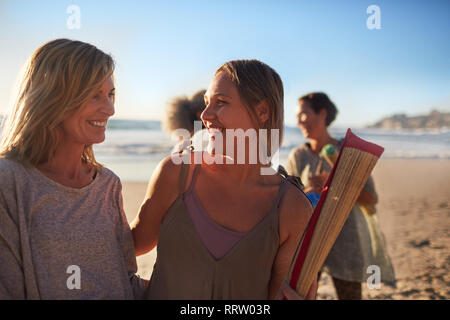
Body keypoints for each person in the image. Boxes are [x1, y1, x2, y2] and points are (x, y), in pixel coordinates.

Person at [131, 59, 317, 300]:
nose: (205, 115)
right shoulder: (177, 173)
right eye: (207, 102)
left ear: (263, 111)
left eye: (221, 103)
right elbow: (129, 246)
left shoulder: (292, 207)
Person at [0, 39, 147, 299]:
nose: (110, 109)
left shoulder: (107, 184)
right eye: (94, 94)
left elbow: (125, 282)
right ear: (53, 96)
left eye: (110, 94)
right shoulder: (9, 182)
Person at [286, 92, 395, 300]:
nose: (298, 121)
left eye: (304, 114)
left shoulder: (349, 152)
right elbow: (288, 199)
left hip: (346, 239)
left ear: (322, 114)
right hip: (307, 239)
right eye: (297, 116)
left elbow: (371, 199)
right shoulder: (298, 156)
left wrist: (338, 185)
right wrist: (307, 191)